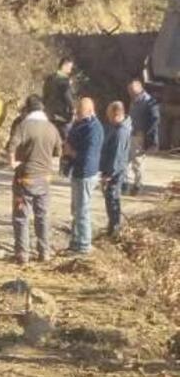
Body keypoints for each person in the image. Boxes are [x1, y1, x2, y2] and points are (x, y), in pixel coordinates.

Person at [7, 94, 63, 264]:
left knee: (21, 217)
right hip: (44, 179)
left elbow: (11, 146)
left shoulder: (24, 126)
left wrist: (13, 163)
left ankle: (22, 254)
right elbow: (58, 151)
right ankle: (44, 252)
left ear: (27, 109)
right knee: (42, 216)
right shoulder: (52, 128)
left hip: (25, 179)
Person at [64, 98, 104, 254]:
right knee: (75, 209)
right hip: (77, 171)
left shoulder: (94, 129)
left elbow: (89, 156)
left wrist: (70, 152)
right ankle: (75, 240)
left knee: (82, 211)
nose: (76, 114)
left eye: (79, 112)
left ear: (89, 111)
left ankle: (84, 244)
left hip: (86, 173)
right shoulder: (82, 124)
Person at [100, 101, 132, 236]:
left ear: (116, 114)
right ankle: (113, 225)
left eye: (109, 115)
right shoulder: (120, 128)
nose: (108, 118)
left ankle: (114, 228)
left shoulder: (120, 132)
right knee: (113, 197)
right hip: (117, 169)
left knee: (112, 197)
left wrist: (109, 174)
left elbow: (116, 155)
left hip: (115, 171)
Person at [126, 79, 161, 195]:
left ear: (139, 88)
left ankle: (138, 185)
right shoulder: (135, 100)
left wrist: (149, 138)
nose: (129, 92)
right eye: (129, 90)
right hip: (131, 133)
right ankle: (128, 184)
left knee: (138, 161)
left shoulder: (149, 102)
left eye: (131, 90)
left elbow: (155, 120)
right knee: (127, 160)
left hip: (140, 135)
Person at [42, 57, 75, 140]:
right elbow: (68, 98)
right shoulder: (65, 82)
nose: (70, 71)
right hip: (60, 116)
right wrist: (72, 110)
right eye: (69, 68)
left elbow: (45, 93)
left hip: (47, 111)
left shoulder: (50, 78)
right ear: (64, 66)